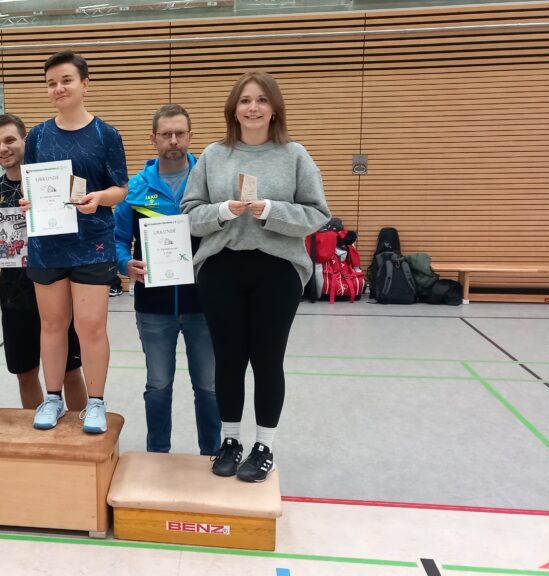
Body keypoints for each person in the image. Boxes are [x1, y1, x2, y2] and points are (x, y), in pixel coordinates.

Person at [181, 72, 330, 482]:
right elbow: (190, 214)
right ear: (234, 109)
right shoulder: (213, 155)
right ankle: (230, 441)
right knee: (228, 359)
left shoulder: (295, 155)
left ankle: (264, 446)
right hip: (221, 268)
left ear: (274, 109)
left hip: (277, 270)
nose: (253, 107)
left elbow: (318, 214)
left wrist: (271, 210)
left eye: (261, 100)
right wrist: (221, 212)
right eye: (245, 100)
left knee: (267, 360)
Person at [18, 51, 129, 434]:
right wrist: (28, 201)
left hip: (92, 242)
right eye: (51, 83)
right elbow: (31, 186)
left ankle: (95, 403)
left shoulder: (106, 134)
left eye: (66, 80)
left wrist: (99, 198)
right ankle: (52, 399)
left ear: (85, 83)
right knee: (52, 324)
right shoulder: (37, 136)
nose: (59, 88)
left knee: (91, 326)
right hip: (48, 244)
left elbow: (121, 189)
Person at [114, 103, 221, 456]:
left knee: (208, 387)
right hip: (153, 307)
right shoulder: (134, 188)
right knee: (158, 386)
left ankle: (212, 454)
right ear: (153, 139)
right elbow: (117, 239)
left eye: (180, 133)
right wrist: (125, 263)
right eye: (166, 134)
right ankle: (157, 456)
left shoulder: (209, 183)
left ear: (190, 136)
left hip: (204, 305)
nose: (173, 140)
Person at [0, 114, 88, 411]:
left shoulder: (56, 180)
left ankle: (78, 434)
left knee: (70, 372)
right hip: (15, 295)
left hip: (57, 285)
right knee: (25, 373)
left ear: (25, 140)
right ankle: (38, 433)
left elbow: (80, 226)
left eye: (10, 140)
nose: (3, 148)